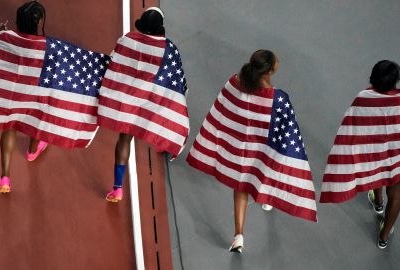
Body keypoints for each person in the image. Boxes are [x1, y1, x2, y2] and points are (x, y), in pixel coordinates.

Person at [187, 50, 317, 253]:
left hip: (240, 152)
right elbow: (288, 133)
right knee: (263, 177)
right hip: (264, 152)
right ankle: (266, 200)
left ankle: (238, 236)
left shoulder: (233, 82)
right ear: (270, 70)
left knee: (241, 189)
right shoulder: (279, 100)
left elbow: (222, 110)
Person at [320, 60, 400, 249]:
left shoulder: (362, 98)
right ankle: (384, 236)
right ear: (397, 79)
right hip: (398, 160)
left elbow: (351, 128)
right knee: (396, 195)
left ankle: (378, 202)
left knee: (376, 174)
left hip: (374, 157)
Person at [98, 7, 189, 203]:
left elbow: (113, 64)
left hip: (129, 101)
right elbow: (178, 80)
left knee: (124, 140)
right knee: (164, 117)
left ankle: (117, 189)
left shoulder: (127, 39)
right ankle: (167, 145)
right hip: (151, 102)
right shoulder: (169, 48)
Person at [0, 1, 48, 193]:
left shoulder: (7, 38)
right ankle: (32, 152)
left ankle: (5, 178)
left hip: (12, 92)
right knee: (38, 121)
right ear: (40, 22)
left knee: (10, 127)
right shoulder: (46, 46)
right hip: (34, 96)